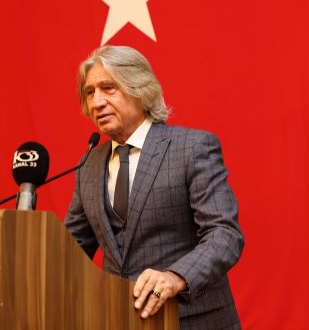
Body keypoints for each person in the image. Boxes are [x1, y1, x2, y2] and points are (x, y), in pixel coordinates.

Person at [64, 45, 244, 329]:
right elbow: (68, 252)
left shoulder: (192, 147)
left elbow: (225, 234)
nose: (96, 102)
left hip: (192, 320)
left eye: (108, 88)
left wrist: (175, 277)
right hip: (120, 321)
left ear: (140, 89)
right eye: (90, 92)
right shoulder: (88, 165)